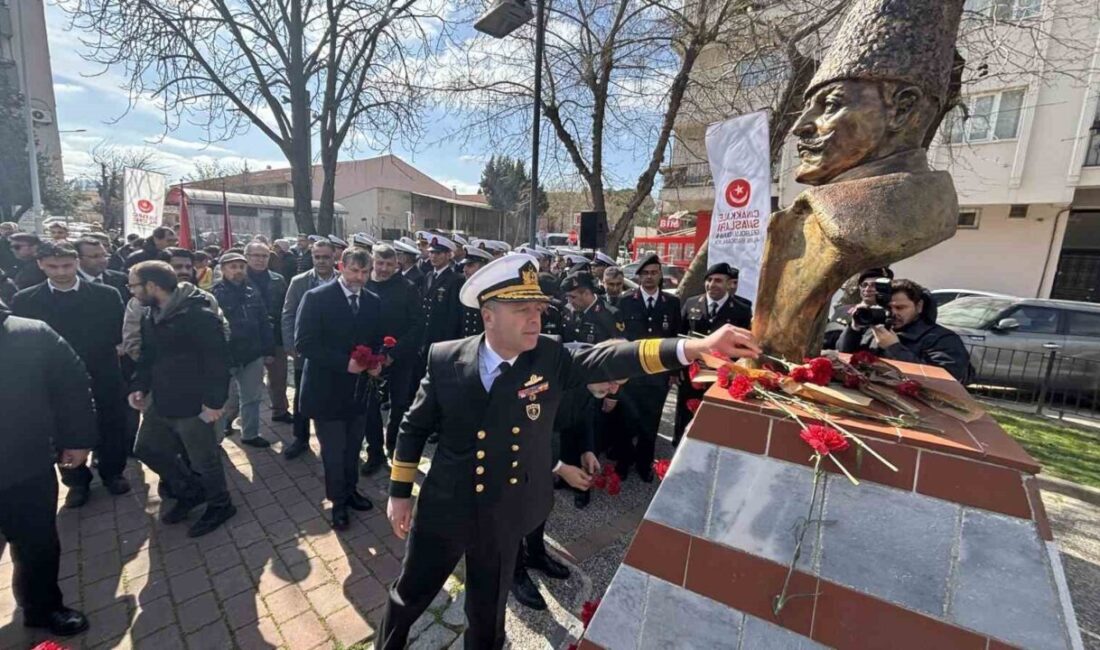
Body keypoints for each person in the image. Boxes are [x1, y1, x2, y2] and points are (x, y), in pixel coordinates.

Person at [379, 254, 761, 649]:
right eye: (522, 309)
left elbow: (609, 356)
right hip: (446, 504)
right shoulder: (445, 358)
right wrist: (399, 493)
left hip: (503, 510)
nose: (536, 319)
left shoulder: (549, 355)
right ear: (488, 314)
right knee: (409, 596)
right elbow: (413, 426)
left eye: (539, 309)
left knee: (487, 613)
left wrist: (694, 347)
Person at [0, 298, 94, 637]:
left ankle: (43, 609)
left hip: (25, 466)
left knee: (37, 545)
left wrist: (78, 439)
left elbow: (72, 386)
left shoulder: (31, 334)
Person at [11, 242, 130, 506]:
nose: (61, 272)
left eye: (67, 265)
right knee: (62, 429)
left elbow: (117, 334)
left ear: (76, 262)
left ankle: (112, 472)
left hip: (101, 371)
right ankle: (76, 480)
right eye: (53, 266)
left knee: (111, 423)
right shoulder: (26, 300)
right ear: (40, 265)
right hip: (54, 379)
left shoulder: (106, 295)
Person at [129, 261, 235, 536]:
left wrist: (214, 402)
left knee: (204, 459)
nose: (131, 291)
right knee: (147, 448)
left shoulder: (198, 314)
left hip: (193, 403)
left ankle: (221, 504)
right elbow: (148, 357)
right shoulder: (150, 314)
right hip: (162, 399)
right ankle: (190, 491)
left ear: (152, 286)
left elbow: (218, 360)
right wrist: (139, 385)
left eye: (134, 285)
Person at [295, 247, 382, 530]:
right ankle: (338, 502)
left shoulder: (372, 300)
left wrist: (378, 362)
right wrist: (344, 363)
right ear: (341, 266)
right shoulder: (316, 298)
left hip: (358, 391)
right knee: (333, 450)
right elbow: (304, 344)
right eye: (354, 270)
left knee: (353, 446)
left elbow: (377, 339)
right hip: (326, 389)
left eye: (365, 272)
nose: (359, 277)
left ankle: (352, 490)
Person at [613, 254, 681, 481]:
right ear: (639, 276)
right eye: (645, 273)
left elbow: (674, 339)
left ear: (660, 274)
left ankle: (644, 464)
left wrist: (673, 373)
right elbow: (619, 339)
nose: (649, 277)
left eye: (654, 272)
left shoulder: (671, 303)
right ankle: (623, 462)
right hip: (631, 374)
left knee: (650, 422)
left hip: (657, 375)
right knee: (625, 420)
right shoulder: (625, 300)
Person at [674, 262, 752, 446]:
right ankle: (679, 449)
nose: (712, 284)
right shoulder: (692, 303)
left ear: (729, 284)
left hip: (721, 376)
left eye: (718, 280)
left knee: (714, 417)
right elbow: (679, 337)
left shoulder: (742, 310)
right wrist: (676, 369)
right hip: (691, 373)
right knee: (685, 414)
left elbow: (742, 347)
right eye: (708, 280)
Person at [837, 278, 972, 383]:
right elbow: (844, 355)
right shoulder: (876, 330)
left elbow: (944, 379)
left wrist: (894, 348)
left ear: (919, 306)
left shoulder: (942, 339)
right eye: (888, 308)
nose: (893, 313)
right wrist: (854, 328)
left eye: (900, 308)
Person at [365, 244, 424, 471]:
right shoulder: (365, 284)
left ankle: (393, 446)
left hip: (400, 358)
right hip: (369, 358)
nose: (384, 268)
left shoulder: (407, 288)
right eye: (380, 263)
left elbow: (418, 325)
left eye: (389, 264)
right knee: (370, 407)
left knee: (399, 405)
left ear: (397, 264)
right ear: (373, 261)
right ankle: (375, 451)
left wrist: (393, 354)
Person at [281, 240, 340, 460]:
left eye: (326, 257)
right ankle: (301, 438)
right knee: (302, 396)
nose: (322, 261)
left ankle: (333, 438)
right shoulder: (299, 282)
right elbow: (288, 314)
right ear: (312, 257)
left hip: (335, 351)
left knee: (333, 393)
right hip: (305, 351)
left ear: (334, 257)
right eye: (317, 257)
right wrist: (290, 345)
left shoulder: (344, 280)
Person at [211, 251, 275, 447]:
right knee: (221, 400)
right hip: (226, 356)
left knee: (252, 398)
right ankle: (216, 438)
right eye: (233, 267)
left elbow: (264, 321)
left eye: (241, 267)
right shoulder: (214, 294)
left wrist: (268, 350)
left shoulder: (252, 291)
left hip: (252, 354)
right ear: (222, 270)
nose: (238, 271)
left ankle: (250, 434)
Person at [244, 242, 291, 424]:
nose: (259, 260)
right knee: (247, 383)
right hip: (248, 339)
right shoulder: (239, 279)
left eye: (264, 256)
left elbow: (286, 309)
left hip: (275, 337)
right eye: (255, 255)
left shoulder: (278, 279)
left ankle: (280, 411)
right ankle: (231, 418)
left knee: (279, 379)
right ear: (247, 257)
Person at [459, 247, 494, 337]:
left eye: (470, 265)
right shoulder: (463, 288)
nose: (465, 270)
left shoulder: (490, 292)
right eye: (465, 265)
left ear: (482, 268)